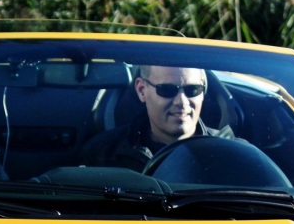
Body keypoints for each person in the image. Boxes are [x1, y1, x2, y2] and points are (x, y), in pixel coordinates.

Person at [79, 65, 240, 170]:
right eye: (167, 90)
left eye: (193, 90)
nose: (181, 102)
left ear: (203, 91)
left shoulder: (232, 154)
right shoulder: (101, 154)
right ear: (142, 90)